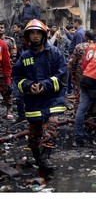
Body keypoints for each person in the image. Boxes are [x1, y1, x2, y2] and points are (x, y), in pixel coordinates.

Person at [12, 19, 68, 172]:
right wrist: (29, 85)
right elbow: (17, 77)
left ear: (43, 35)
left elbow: (63, 74)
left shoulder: (55, 53)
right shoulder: (24, 57)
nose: (35, 36)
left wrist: (45, 85)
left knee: (52, 126)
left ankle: (46, 157)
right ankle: (39, 157)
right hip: (33, 101)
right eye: (32, 33)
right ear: (28, 36)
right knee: (34, 132)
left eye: (38, 33)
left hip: (52, 99)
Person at [67, 30, 96, 114]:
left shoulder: (79, 46)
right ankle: (89, 113)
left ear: (85, 37)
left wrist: (72, 73)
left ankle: (77, 113)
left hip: (80, 75)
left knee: (78, 94)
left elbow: (72, 62)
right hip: (93, 75)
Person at [0, 20, 17, 119]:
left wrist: (8, 75)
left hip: (4, 71)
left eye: (2, 27)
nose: (0, 29)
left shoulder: (8, 41)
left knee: (7, 92)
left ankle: (9, 110)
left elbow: (10, 59)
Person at [0, 38, 12, 120]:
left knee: (6, 92)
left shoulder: (2, 44)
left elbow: (6, 62)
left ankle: (9, 111)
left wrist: (7, 78)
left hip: (0, 73)